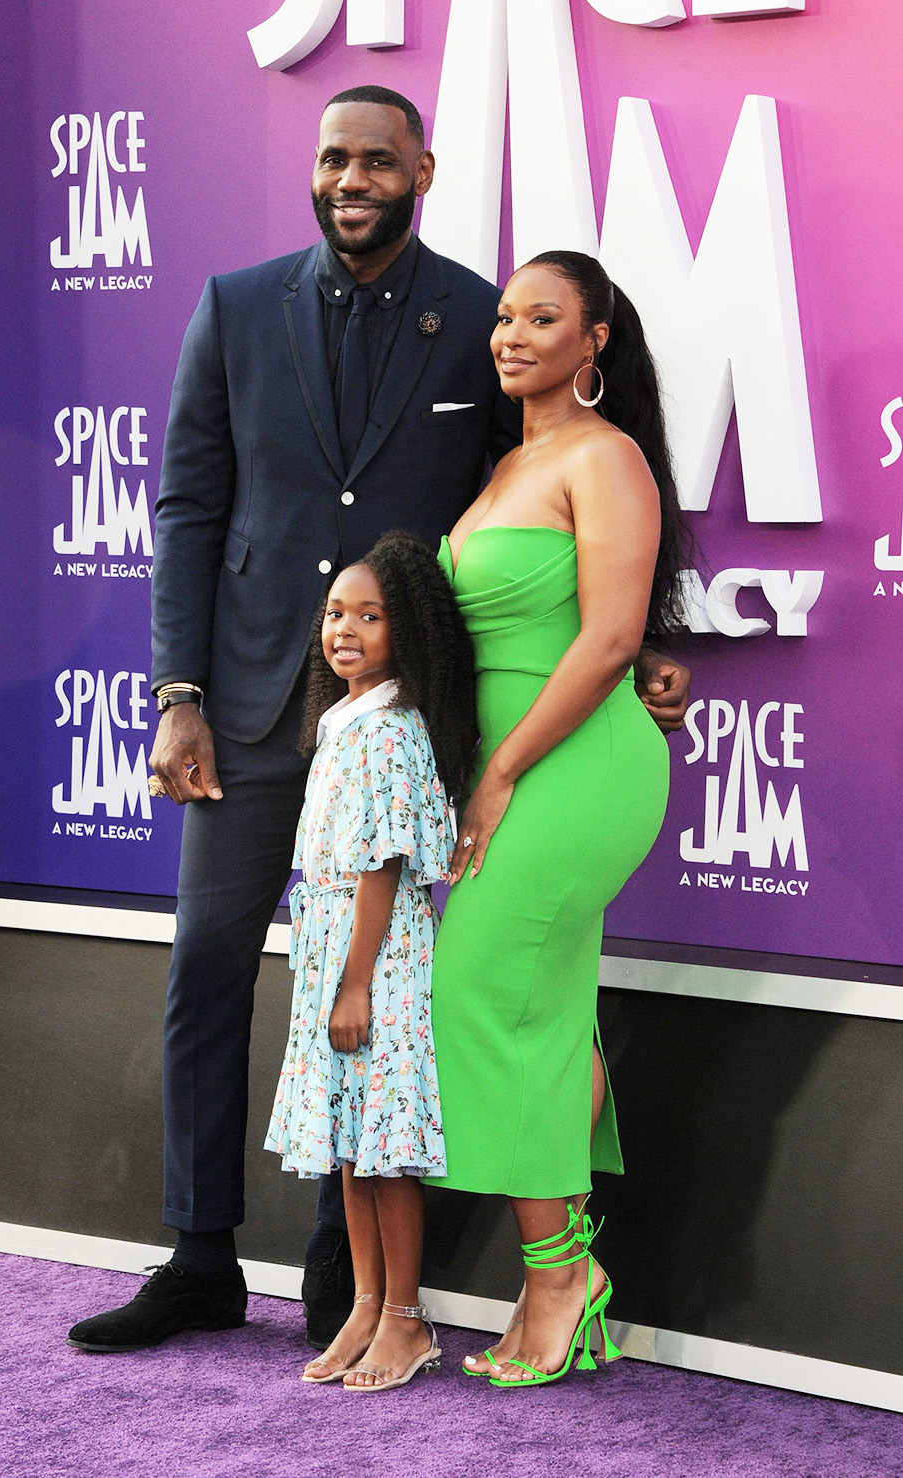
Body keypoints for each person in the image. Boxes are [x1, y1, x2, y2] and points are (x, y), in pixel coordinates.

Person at [67, 85, 690, 1356]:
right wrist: (176, 692)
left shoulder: (478, 316)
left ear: (422, 168)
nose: (353, 177)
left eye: (378, 159)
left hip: (409, 731)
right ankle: (197, 1255)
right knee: (207, 972)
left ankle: (339, 1271)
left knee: (376, 991)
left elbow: (560, 524)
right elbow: (186, 507)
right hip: (243, 705)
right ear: (316, 170)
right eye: (333, 157)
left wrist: (645, 654)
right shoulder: (235, 306)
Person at [431, 250, 687, 1388]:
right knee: (545, 1007)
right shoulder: (500, 468)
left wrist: (502, 773)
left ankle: (556, 1276)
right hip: (508, 766)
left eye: (543, 317)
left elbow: (609, 641)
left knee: (480, 987)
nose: (512, 333)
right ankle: (570, 1272)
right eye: (502, 316)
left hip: (574, 764)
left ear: (594, 343)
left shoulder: (606, 454)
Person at [265, 531, 477, 1390]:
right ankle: (363, 1302)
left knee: (385, 1149)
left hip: (376, 963)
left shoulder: (391, 731)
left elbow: (382, 865)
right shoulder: (344, 722)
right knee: (352, 1143)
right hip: (334, 954)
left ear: (408, 631)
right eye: (335, 613)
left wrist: (353, 984)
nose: (345, 628)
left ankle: (406, 1317)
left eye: (370, 615)